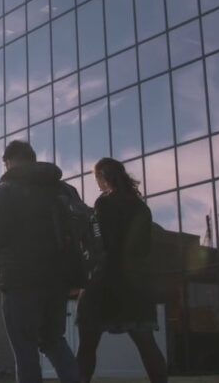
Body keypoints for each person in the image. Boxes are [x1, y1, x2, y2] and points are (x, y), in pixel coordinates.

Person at [0, 140, 80, 383]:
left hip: (20, 280)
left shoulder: (8, 188)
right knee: (54, 341)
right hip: (57, 281)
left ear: (9, 161)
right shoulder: (62, 190)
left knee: (25, 350)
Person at [76, 158, 167, 383]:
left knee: (87, 345)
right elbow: (145, 247)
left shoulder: (104, 204)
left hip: (104, 281)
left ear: (103, 176)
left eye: (96, 177)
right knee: (147, 344)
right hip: (135, 284)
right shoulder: (140, 206)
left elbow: (98, 241)